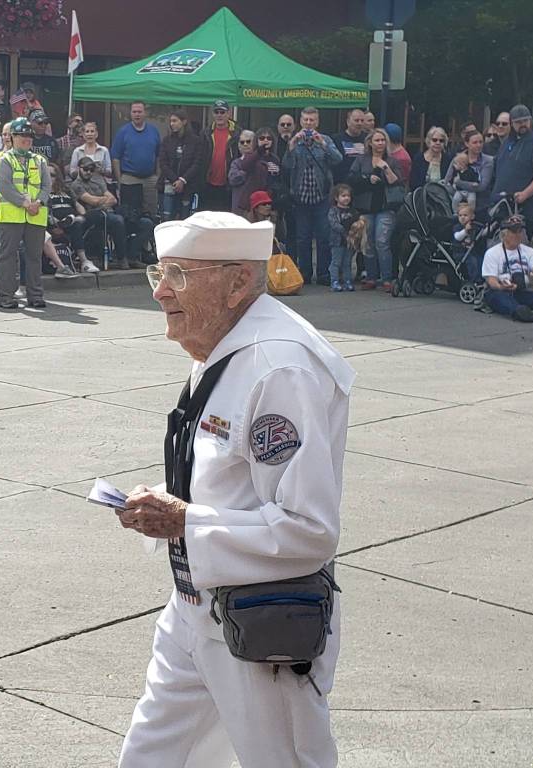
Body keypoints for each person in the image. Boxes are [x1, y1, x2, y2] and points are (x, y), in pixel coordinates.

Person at [119, 210, 354, 768]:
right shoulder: (223, 350)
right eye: (158, 271)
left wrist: (185, 522)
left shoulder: (280, 367)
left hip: (258, 625)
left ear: (237, 283)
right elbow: (228, 478)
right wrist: (162, 502)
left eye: (178, 274)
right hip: (193, 606)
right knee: (151, 758)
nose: (159, 292)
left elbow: (309, 530)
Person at [0, 116, 51, 309]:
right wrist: (25, 203)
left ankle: (35, 295)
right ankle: (6, 296)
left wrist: (39, 202)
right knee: (7, 256)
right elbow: (5, 186)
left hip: (36, 214)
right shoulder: (5, 159)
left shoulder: (40, 160)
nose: (26, 139)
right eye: (22, 135)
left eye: (29, 136)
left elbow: (46, 186)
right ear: (13, 137)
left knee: (34, 256)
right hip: (12, 214)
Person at [281, 107, 341, 284]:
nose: (308, 124)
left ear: (317, 122)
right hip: (301, 197)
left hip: (321, 196)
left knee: (323, 237)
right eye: (306, 120)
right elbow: (287, 166)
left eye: (312, 120)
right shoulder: (295, 141)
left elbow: (338, 159)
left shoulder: (326, 140)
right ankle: (305, 273)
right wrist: (291, 147)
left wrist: (322, 144)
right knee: (303, 238)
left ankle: (323, 274)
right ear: (301, 122)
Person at [347, 128, 403, 290]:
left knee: (382, 242)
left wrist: (385, 167)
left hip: (386, 207)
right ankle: (371, 276)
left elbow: (397, 182)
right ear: (370, 143)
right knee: (368, 243)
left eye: (383, 140)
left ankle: (387, 278)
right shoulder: (361, 160)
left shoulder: (392, 161)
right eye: (377, 140)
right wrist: (367, 178)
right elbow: (351, 178)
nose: (380, 143)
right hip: (366, 207)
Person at [491, 104, 533, 238]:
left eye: (525, 121)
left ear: (530, 120)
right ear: (512, 123)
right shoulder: (507, 142)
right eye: (518, 122)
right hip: (503, 205)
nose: (522, 125)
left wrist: (525, 194)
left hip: (527, 209)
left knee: (520, 248)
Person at [71, 156, 136, 270]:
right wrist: (104, 200)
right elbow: (92, 201)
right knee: (118, 220)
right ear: (79, 168)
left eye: (91, 170)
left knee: (138, 221)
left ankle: (131, 257)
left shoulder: (97, 181)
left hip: (108, 213)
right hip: (92, 215)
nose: (88, 172)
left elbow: (114, 199)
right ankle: (122, 258)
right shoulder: (76, 185)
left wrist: (101, 201)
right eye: (85, 169)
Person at [112, 101, 161, 217]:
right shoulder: (122, 132)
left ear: (145, 113)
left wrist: (158, 177)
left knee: (151, 213)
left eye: (139, 112)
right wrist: (120, 180)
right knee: (130, 214)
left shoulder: (154, 131)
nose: (137, 114)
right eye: (134, 112)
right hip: (129, 178)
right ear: (130, 114)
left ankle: (150, 234)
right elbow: (115, 158)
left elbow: (159, 155)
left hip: (150, 179)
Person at [158, 109, 205, 221]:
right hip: (169, 185)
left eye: (175, 121)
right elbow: (163, 163)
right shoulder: (167, 140)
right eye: (171, 121)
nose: (172, 124)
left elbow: (197, 163)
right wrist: (175, 180)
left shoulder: (196, 141)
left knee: (185, 219)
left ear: (184, 122)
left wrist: (183, 180)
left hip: (188, 186)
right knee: (167, 219)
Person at [201, 99, 240, 212]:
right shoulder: (206, 133)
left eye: (222, 112)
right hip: (208, 183)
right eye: (216, 112)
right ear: (213, 114)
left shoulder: (237, 133)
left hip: (228, 185)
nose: (219, 115)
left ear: (229, 113)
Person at [444, 129, 493, 215]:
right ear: (467, 144)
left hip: (480, 206)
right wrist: (458, 193)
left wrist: (459, 183)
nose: (479, 145)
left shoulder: (488, 161)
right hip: (458, 205)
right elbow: (447, 182)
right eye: (475, 142)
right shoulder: (457, 158)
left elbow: (482, 186)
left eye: (481, 142)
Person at [227, 130, 272, 217]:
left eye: (248, 141)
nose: (245, 144)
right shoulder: (236, 162)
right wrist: (246, 172)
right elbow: (232, 179)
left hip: (258, 207)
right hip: (239, 207)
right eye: (242, 142)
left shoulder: (262, 161)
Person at [328, 183, 358, 291]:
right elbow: (333, 224)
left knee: (347, 262)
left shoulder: (352, 211)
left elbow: (357, 222)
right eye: (343, 196)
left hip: (349, 241)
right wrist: (345, 230)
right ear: (336, 198)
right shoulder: (333, 211)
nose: (346, 198)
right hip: (337, 241)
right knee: (336, 262)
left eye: (348, 196)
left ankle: (347, 280)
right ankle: (334, 281)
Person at [330, 108, 366, 181]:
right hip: (342, 184)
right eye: (356, 120)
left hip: (363, 183)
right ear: (348, 122)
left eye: (362, 121)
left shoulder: (367, 139)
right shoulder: (336, 139)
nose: (359, 123)